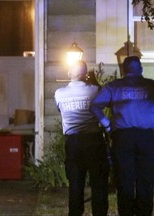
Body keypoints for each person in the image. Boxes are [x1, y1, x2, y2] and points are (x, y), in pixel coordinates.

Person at [90, 56, 154, 216]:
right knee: (146, 179)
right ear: (140, 69)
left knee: (124, 178)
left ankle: (126, 212)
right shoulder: (151, 86)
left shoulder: (114, 86)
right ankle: (144, 213)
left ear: (123, 70)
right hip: (147, 138)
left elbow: (95, 105)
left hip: (122, 138)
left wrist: (107, 124)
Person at [54, 60, 109, 216]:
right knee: (98, 183)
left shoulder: (59, 93)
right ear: (86, 74)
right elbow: (106, 100)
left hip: (73, 143)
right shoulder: (95, 90)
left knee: (75, 184)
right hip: (94, 141)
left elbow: (60, 109)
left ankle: (75, 213)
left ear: (69, 73)